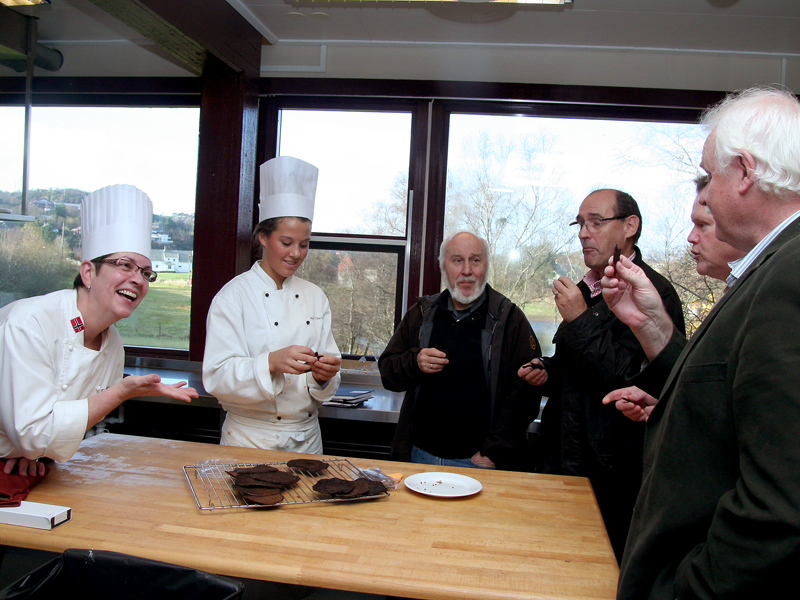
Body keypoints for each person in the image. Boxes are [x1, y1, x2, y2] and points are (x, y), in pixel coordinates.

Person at [601, 87, 800, 599]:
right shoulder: (770, 267)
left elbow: (781, 503)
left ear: (746, 172)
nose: (704, 194)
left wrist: (681, 590)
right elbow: (732, 399)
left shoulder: (790, 275)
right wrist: (653, 328)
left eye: (711, 176)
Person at [518, 189, 685, 562]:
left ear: (630, 226)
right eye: (580, 223)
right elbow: (577, 367)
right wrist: (548, 369)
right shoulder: (584, 290)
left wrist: (580, 320)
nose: (583, 233)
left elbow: (637, 384)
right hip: (562, 462)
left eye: (595, 221)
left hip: (612, 478)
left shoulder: (655, 295)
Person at [0, 184, 198, 477]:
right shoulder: (30, 323)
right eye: (125, 265)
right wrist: (120, 393)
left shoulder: (112, 342)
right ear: (88, 272)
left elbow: (39, 439)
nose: (138, 280)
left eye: (146, 273)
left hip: (24, 465)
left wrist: (31, 450)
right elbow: (34, 435)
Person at [203, 156, 341, 454]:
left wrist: (324, 374)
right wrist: (270, 362)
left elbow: (328, 373)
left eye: (304, 244)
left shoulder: (315, 296)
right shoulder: (233, 296)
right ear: (263, 238)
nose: (296, 253)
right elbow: (215, 376)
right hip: (249, 440)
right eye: (287, 242)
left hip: (307, 439)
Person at [379, 231, 541, 471]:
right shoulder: (422, 313)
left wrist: (491, 453)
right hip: (419, 456)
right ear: (443, 267)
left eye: (475, 260)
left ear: (486, 266)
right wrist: (415, 362)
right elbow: (388, 372)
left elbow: (526, 394)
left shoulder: (508, 318)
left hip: (480, 463)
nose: (467, 270)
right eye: (457, 260)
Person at [605, 175, 745, 423]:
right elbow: (716, 397)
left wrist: (580, 318)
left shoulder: (773, 292)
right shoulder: (735, 294)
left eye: (703, 225)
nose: (691, 237)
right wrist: (668, 397)